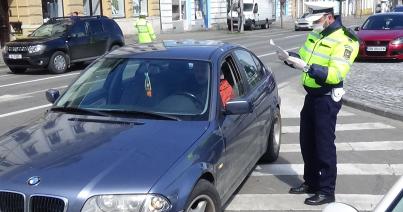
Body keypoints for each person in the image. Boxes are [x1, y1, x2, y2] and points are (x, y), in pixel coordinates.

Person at [277, 2, 359, 206]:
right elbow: (303, 57)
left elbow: (335, 74)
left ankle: (326, 190)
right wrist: (289, 58)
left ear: (329, 17)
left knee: (324, 145)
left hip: (327, 97)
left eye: (316, 20)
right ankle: (311, 182)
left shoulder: (346, 41)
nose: (312, 24)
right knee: (307, 141)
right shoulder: (316, 34)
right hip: (311, 96)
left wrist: (309, 68)